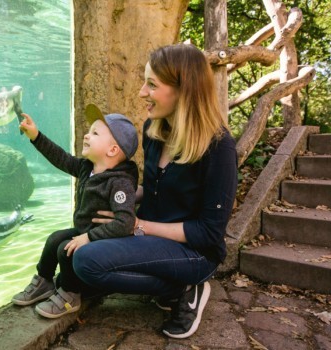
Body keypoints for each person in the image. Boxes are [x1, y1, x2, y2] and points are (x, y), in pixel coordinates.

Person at [72, 43, 238, 338]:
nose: (141, 93)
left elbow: (209, 233)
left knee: (87, 262)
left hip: (194, 253)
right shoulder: (153, 130)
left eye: (152, 85)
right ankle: (168, 283)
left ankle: (188, 287)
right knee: (77, 242)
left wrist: (138, 226)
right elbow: (153, 189)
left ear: (183, 90)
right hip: (147, 237)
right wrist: (112, 196)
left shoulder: (219, 148)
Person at [11, 106, 139, 319]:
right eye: (90, 131)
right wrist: (36, 136)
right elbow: (60, 158)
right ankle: (44, 281)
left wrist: (89, 237)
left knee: (65, 249)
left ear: (113, 150)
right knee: (55, 240)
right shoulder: (86, 168)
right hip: (85, 232)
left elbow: (125, 222)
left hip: (102, 243)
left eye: (95, 133)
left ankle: (71, 295)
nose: (87, 135)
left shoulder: (120, 182)